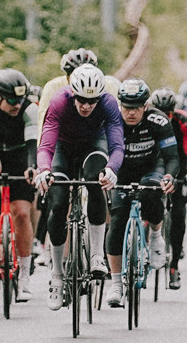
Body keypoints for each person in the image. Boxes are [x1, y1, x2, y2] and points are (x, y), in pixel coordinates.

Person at [33, 61, 121, 288]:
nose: (86, 105)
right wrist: (44, 171)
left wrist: (111, 168)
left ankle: (96, 255)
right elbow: (45, 146)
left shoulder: (108, 103)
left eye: (92, 101)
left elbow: (117, 145)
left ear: (100, 97)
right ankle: (57, 273)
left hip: (94, 144)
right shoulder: (59, 102)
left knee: (95, 180)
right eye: (81, 99)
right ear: (72, 94)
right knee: (59, 201)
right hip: (63, 147)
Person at [104, 78, 182, 306]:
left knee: (151, 194)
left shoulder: (158, 120)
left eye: (137, 107)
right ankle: (116, 283)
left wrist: (169, 177)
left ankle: (156, 236)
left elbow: (172, 158)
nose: (131, 112)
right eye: (127, 107)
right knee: (117, 220)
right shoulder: (111, 120)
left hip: (151, 168)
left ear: (145, 106)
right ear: (120, 106)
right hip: (121, 171)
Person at [0, 67, 38, 301]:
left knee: (21, 214)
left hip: (19, 157)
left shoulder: (28, 109)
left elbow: (33, 144)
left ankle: (24, 274)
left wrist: (32, 166)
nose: (16, 105)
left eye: (20, 100)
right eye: (11, 100)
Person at [149, 86, 187, 288]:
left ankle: (174, 265)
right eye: (160, 113)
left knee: (178, 215)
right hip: (154, 163)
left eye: (168, 113)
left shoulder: (184, 120)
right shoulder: (147, 119)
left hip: (179, 167)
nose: (164, 118)